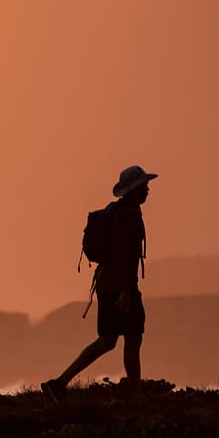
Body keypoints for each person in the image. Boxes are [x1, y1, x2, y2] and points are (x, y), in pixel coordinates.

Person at [41, 164, 155, 403]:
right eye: (144, 186)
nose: (147, 190)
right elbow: (125, 255)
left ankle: (59, 384)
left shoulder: (117, 211)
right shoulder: (129, 215)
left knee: (108, 340)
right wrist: (127, 291)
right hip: (120, 285)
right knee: (132, 337)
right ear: (134, 189)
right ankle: (135, 395)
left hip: (106, 283)